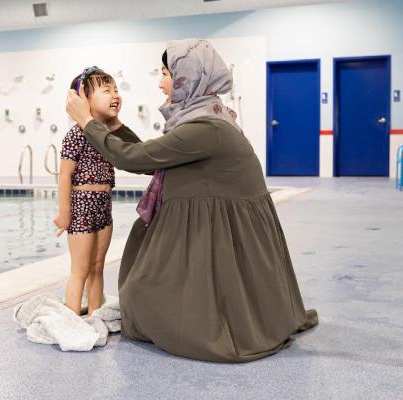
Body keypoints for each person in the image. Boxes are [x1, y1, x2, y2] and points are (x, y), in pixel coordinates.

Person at [65, 39, 318, 362]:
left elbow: (137, 159)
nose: (161, 83)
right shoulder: (210, 116)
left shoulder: (204, 127)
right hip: (226, 219)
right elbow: (155, 157)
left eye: (166, 73)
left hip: (221, 221)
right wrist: (113, 125)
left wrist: (88, 122)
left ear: (189, 76)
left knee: (142, 296)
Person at [54, 67, 142, 315]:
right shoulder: (76, 135)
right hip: (82, 203)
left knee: (98, 265)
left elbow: (135, 151)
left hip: (104, 203)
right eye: (106, 90)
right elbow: (64, 175)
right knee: (80, 269)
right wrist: (64, 212)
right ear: (83, 100)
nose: (115, 95)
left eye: (116, 89)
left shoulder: (108, 135)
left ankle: (95, 314)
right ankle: (71, 317)